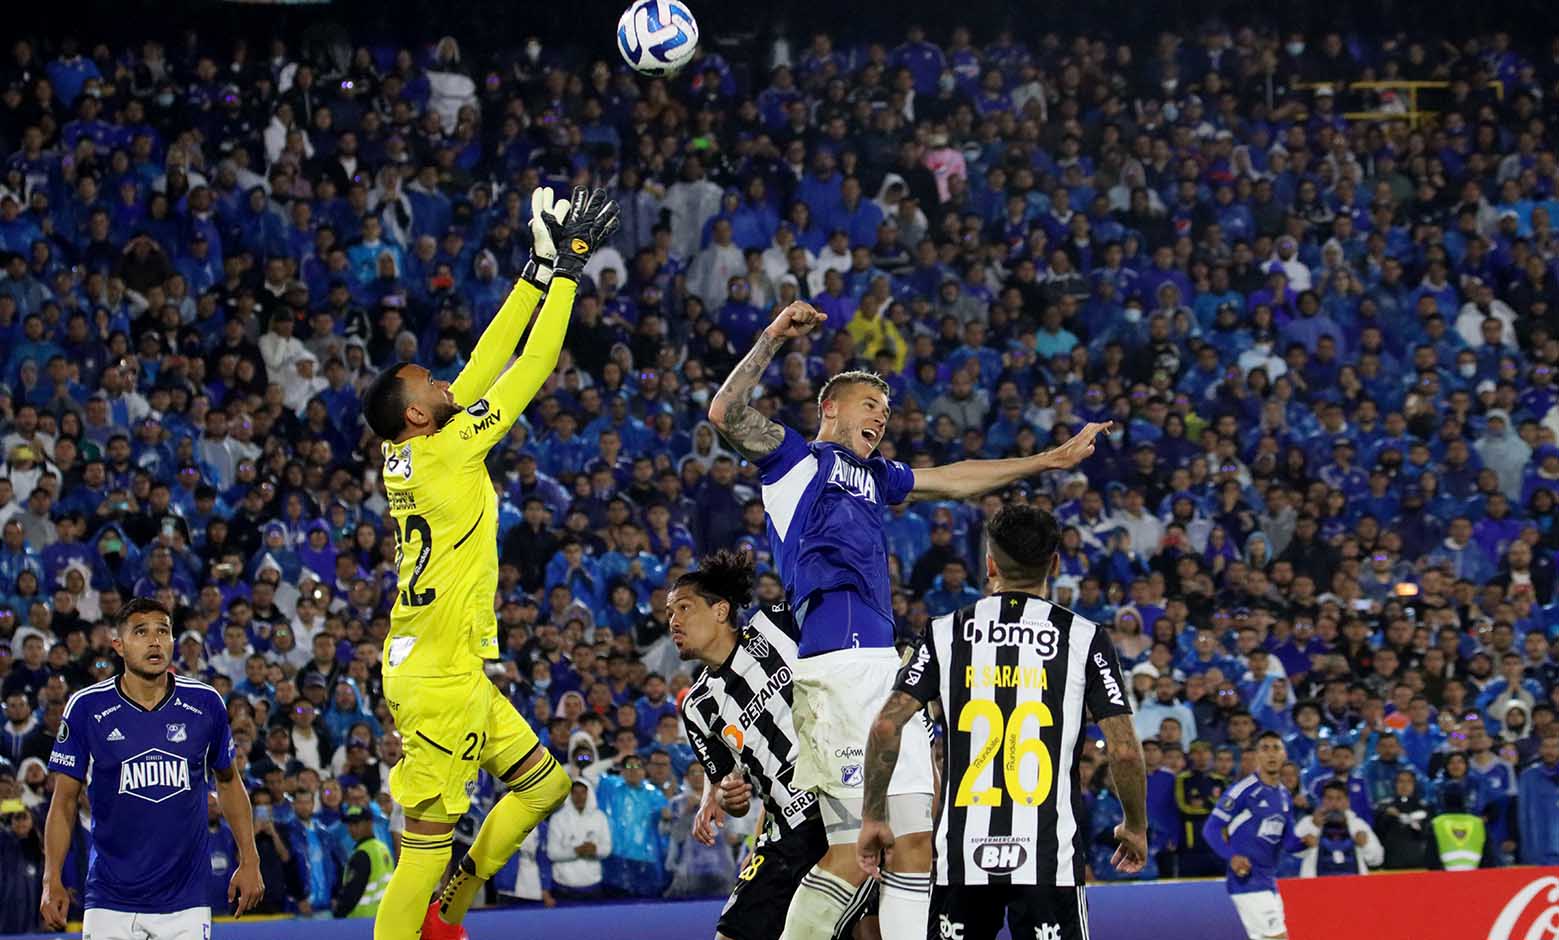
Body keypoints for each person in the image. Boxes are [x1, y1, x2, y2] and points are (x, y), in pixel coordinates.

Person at [707, 300, 1107, 938]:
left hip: (882, 668)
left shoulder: (877, 476)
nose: (881, 418)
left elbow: (953, 479)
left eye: (886, 413)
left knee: (916, 847)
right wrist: (775, 336)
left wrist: (1046, 461)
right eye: (870, 406)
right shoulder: (794, 462)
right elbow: (726, 413)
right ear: (829, 409)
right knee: (851, 857)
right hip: (836, 667)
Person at [361, 186, 617, 940]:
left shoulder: (407, 448)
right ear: (417, 412)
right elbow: (530, 364)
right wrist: (570, 272)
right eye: (430, 386)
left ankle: (453, 904)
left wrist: (534, 273)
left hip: (445, 667)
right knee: (420, 844)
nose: (446, 384)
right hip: (437, 679)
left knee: (545, 787)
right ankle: (420, 917)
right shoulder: (447, 448)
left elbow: (481, 361)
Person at [855, 504, 1146, 940]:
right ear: (1054, 563)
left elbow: (885, 727)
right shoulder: (1084, 637)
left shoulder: (942, 632)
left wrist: (873, 815)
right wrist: (1135, 826)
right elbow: (1122, 749)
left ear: (990, 564)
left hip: (961, 859)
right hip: (1048, 859)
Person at [40, 597, 264, 937]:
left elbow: (230, 783)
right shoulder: (86, 706)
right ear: (118, 644)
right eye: (141, 632)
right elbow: (64, 800)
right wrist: (51, 877)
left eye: (163, 631)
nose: (155, 640)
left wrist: (250, 859)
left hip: (186, 900)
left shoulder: (205, 703)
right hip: (109, 898)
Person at [668, 549, 830, 940]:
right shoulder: (697, 706)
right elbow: (727, 784)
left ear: (721, 611)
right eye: (670, 614)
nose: (673, 621)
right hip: (785, 832)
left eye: (683, 609)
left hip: (836, 807)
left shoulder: (776, 625)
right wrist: (728, 798)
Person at [1204, 731, 1302, 940]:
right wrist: (1231, 856)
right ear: (1257, 755)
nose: (1271, 754)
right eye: (1265, 748)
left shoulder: (1284, 795)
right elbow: (1211, 828)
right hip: (1247, 881)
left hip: (1268, 881)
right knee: (1278, 938)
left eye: (1276, 748)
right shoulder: (1243, 791)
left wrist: (1307, 841)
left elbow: (1289, 842)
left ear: (1284, 754)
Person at [1294, 780, 1383, 876]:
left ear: (1347, 802)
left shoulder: (1358, 825)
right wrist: (1313, 827)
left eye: (1339, 798)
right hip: (1317, 887)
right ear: (1322, 800)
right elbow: (1291, 852)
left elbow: (1377, 860)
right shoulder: (1308, 822)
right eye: (1329, 798)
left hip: (1353, 887)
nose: (1334, 803)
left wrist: (1365, 846)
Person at [545, 779, 612, 900]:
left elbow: (607, 849)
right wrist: (576, 851)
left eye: (583, 792)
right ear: (570, 795)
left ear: (589, 794)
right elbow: (552, 853)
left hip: (593, 883)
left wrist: (595, 850)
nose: (579, 797)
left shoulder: (599, 817)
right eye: (575, 793)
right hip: (563, 884)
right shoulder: (558, 818)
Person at [333, 804, 394, 918]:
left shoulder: (362, 853)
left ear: (369, 823)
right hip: (382, 917)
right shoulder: (383, 848)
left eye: (356, 824)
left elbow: (352, 892)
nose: (352, 829)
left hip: (361, 919)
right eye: (349, 824)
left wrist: (338, 914)